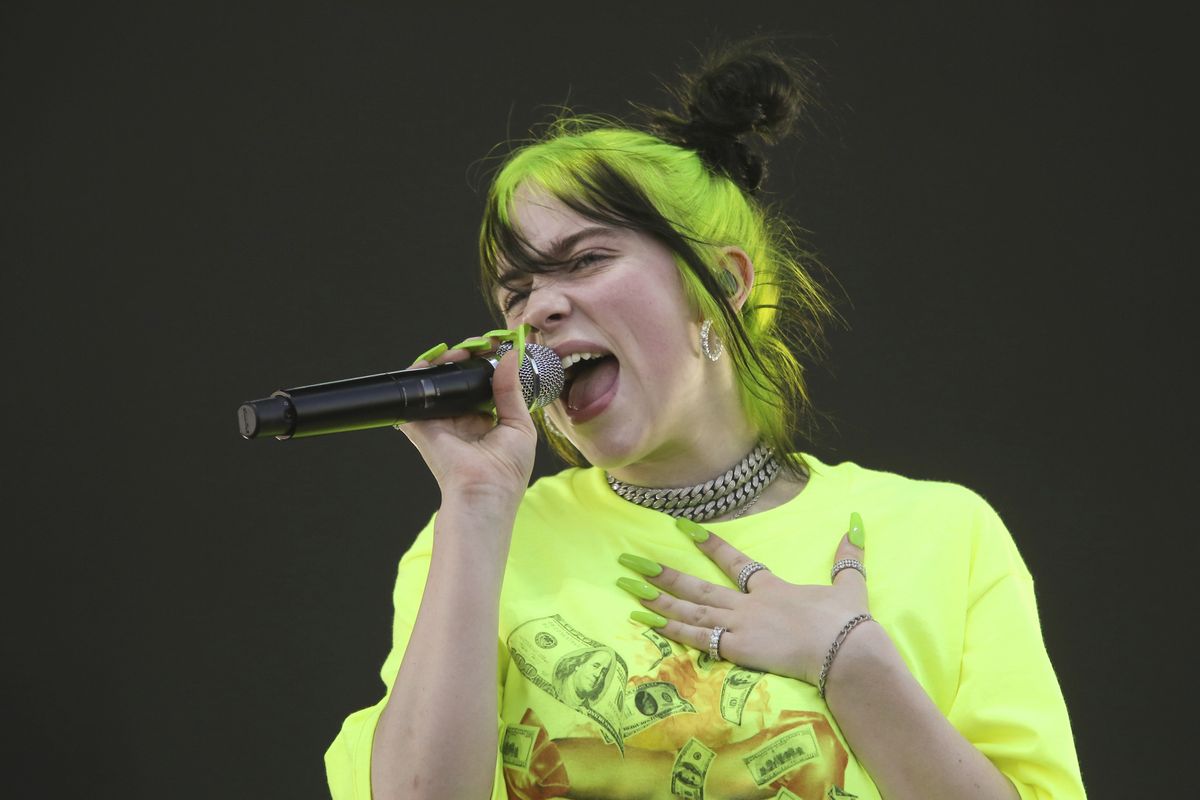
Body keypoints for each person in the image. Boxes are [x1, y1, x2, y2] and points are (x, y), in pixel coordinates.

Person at [325, 42, 1085, 800]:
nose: (540, 309)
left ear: (721, 283)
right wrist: (475, 503)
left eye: (585, 260)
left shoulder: (944, 534)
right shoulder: (479, 541)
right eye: (515, 294)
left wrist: (851, 661)